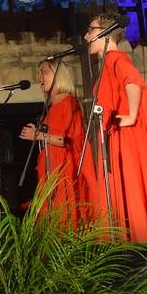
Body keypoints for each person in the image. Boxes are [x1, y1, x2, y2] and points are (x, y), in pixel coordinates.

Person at [84, 11, 147, 242]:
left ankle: (135, 240)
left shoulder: (116, 59)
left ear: (104, 34)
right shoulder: (107, 63)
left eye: (90, 30)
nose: (85, 37)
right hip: (115, 138)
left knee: (129, 188)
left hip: (125, 137)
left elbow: (133, 82)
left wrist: (131, 115)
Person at [19, 59, 99, 225]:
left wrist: (38, 135)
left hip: (64, 169)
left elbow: (62, 140)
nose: (39, 77)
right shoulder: (53, 105)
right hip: (52, 168)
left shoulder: (67, 101)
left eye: (44, 72)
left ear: (58, 75)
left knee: (64, 216)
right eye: (38, 73)